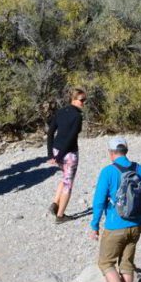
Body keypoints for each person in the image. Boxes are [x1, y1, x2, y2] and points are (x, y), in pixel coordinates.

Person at [90, 137, 141, 282]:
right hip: (136, 225)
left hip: (115, 226)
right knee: (126, 264)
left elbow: (99, 201)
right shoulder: (140, 169)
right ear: (126, 149)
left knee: (105, 263)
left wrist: (94, 225)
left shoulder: (108, 171)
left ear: (111, 153)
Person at [46, 87, 85, 224]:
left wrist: (51, 154)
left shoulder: (60, 112)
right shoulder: (77, 116)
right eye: (81, 100)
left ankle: (55, 204)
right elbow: (71, 138)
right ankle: (60, 216)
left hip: (57, 151)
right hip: (69, 154)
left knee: (64, 177)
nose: (83, 103)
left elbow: (50, 133)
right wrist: (59, 156)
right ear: (73, 99)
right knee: (68, 183)